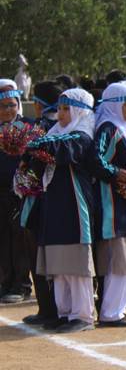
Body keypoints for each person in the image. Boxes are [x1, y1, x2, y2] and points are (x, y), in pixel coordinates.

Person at [26, 89, 99, 333]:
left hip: (75, 205)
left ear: (80, 111)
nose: (61, 114)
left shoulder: (83, 136)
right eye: (60, 108)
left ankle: (82, 314)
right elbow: (41, 154)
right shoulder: (55, 133)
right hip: (54, 203)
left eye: (67, 109)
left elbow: (64, 152)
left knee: (75, 261)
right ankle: (64, 312)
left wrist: (34, 144)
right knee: (58, 260)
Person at [91, 81, 126, 327]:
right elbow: (95, 161)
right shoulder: (108, 128)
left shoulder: (124, 129)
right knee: (120, 259)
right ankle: (111, 312)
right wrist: (116, 173)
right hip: (113, 204)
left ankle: (117, 309)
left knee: (125, 259)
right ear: (113, 105)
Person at [18, 81, 62, 327]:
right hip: (56, 199)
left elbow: (28, 162)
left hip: (39, 199)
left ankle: (48, 308)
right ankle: (52, 307)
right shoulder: (65, 126)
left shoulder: (41, 128)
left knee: (39, 253)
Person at [0, 80, 32, 305]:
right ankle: (5, 282)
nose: (8, 110)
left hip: (20, 194)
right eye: (2, 106)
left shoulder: (28, 127)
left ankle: (21, 285)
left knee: (19, 238)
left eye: (12, 105)